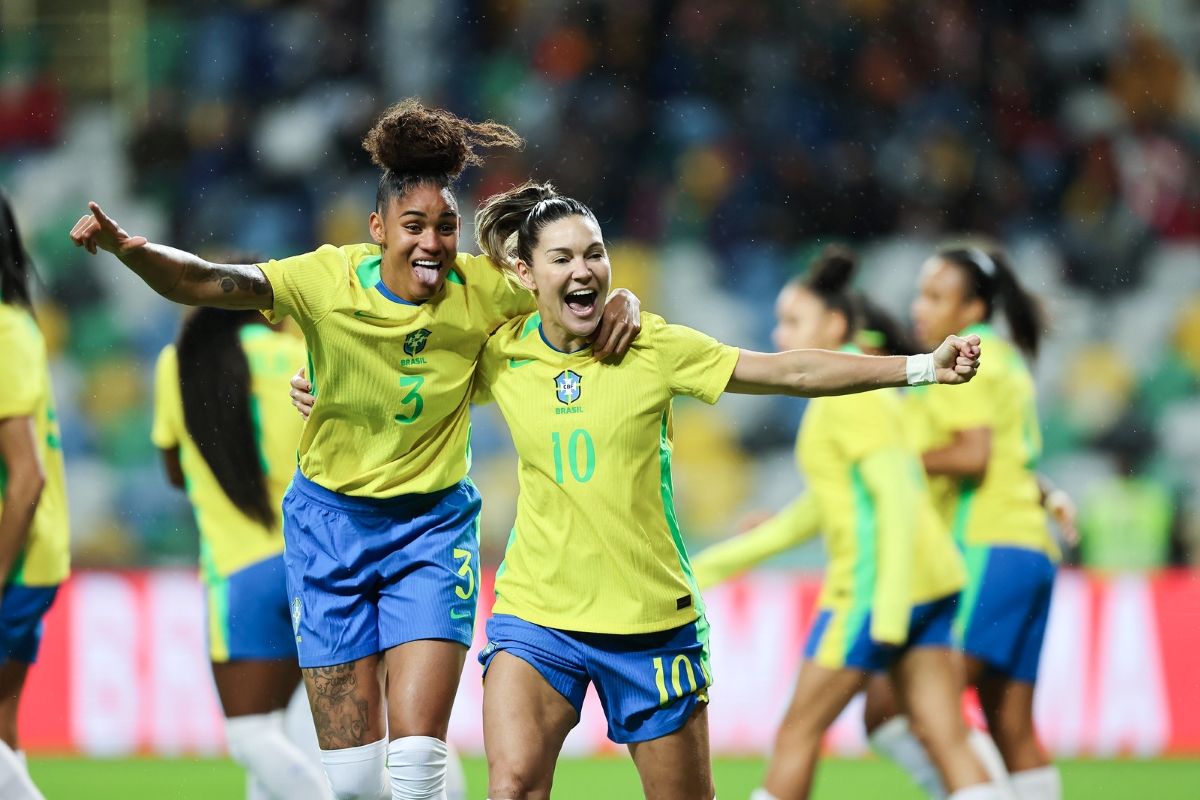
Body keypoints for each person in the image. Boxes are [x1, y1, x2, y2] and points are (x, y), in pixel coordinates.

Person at [70, 99, 640, 800]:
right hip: (327, 531)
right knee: (352, 782)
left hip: (431, 530)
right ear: (378, 229)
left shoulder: (485, 289)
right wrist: (133, 252)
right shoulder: (326, 280)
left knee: (418, 763)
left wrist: (623, 301)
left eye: (445, 226)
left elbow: (571, 289)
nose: (433, 243)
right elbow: (202, 279)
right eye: (413, 226)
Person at [461, 187, 978, 800]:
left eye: (594, 254)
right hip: (537, 614)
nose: (583, 270)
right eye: (562, 258)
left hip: (649, 623)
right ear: (525, 273)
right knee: (512, 786)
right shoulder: (502, 350)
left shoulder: (652, 347)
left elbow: (791, 371)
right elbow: (418, 345)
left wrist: (922, 366)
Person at [891, 246, 1063, 800]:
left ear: (973, 308)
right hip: (1028, 550)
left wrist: (889, 461)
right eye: (920, 294)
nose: (920, 307)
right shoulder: (1006, 358)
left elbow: (974, 453)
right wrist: (1050, 494)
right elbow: (1011, 457)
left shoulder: (967, 357)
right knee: (1012, 727)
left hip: (986, 544)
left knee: (921, 708)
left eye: (936, 296)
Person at [151, 278, 331, 800]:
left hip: (240, 571)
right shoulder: (301, 356)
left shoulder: (179, 363)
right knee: (292, 725)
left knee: (253, 736)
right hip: (316, 564)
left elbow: (174, 469)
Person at [0, 191, 67, 800]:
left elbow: (27, 477)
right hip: (31, 557)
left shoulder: (3, 331)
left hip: (15, 562)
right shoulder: (15, 325)